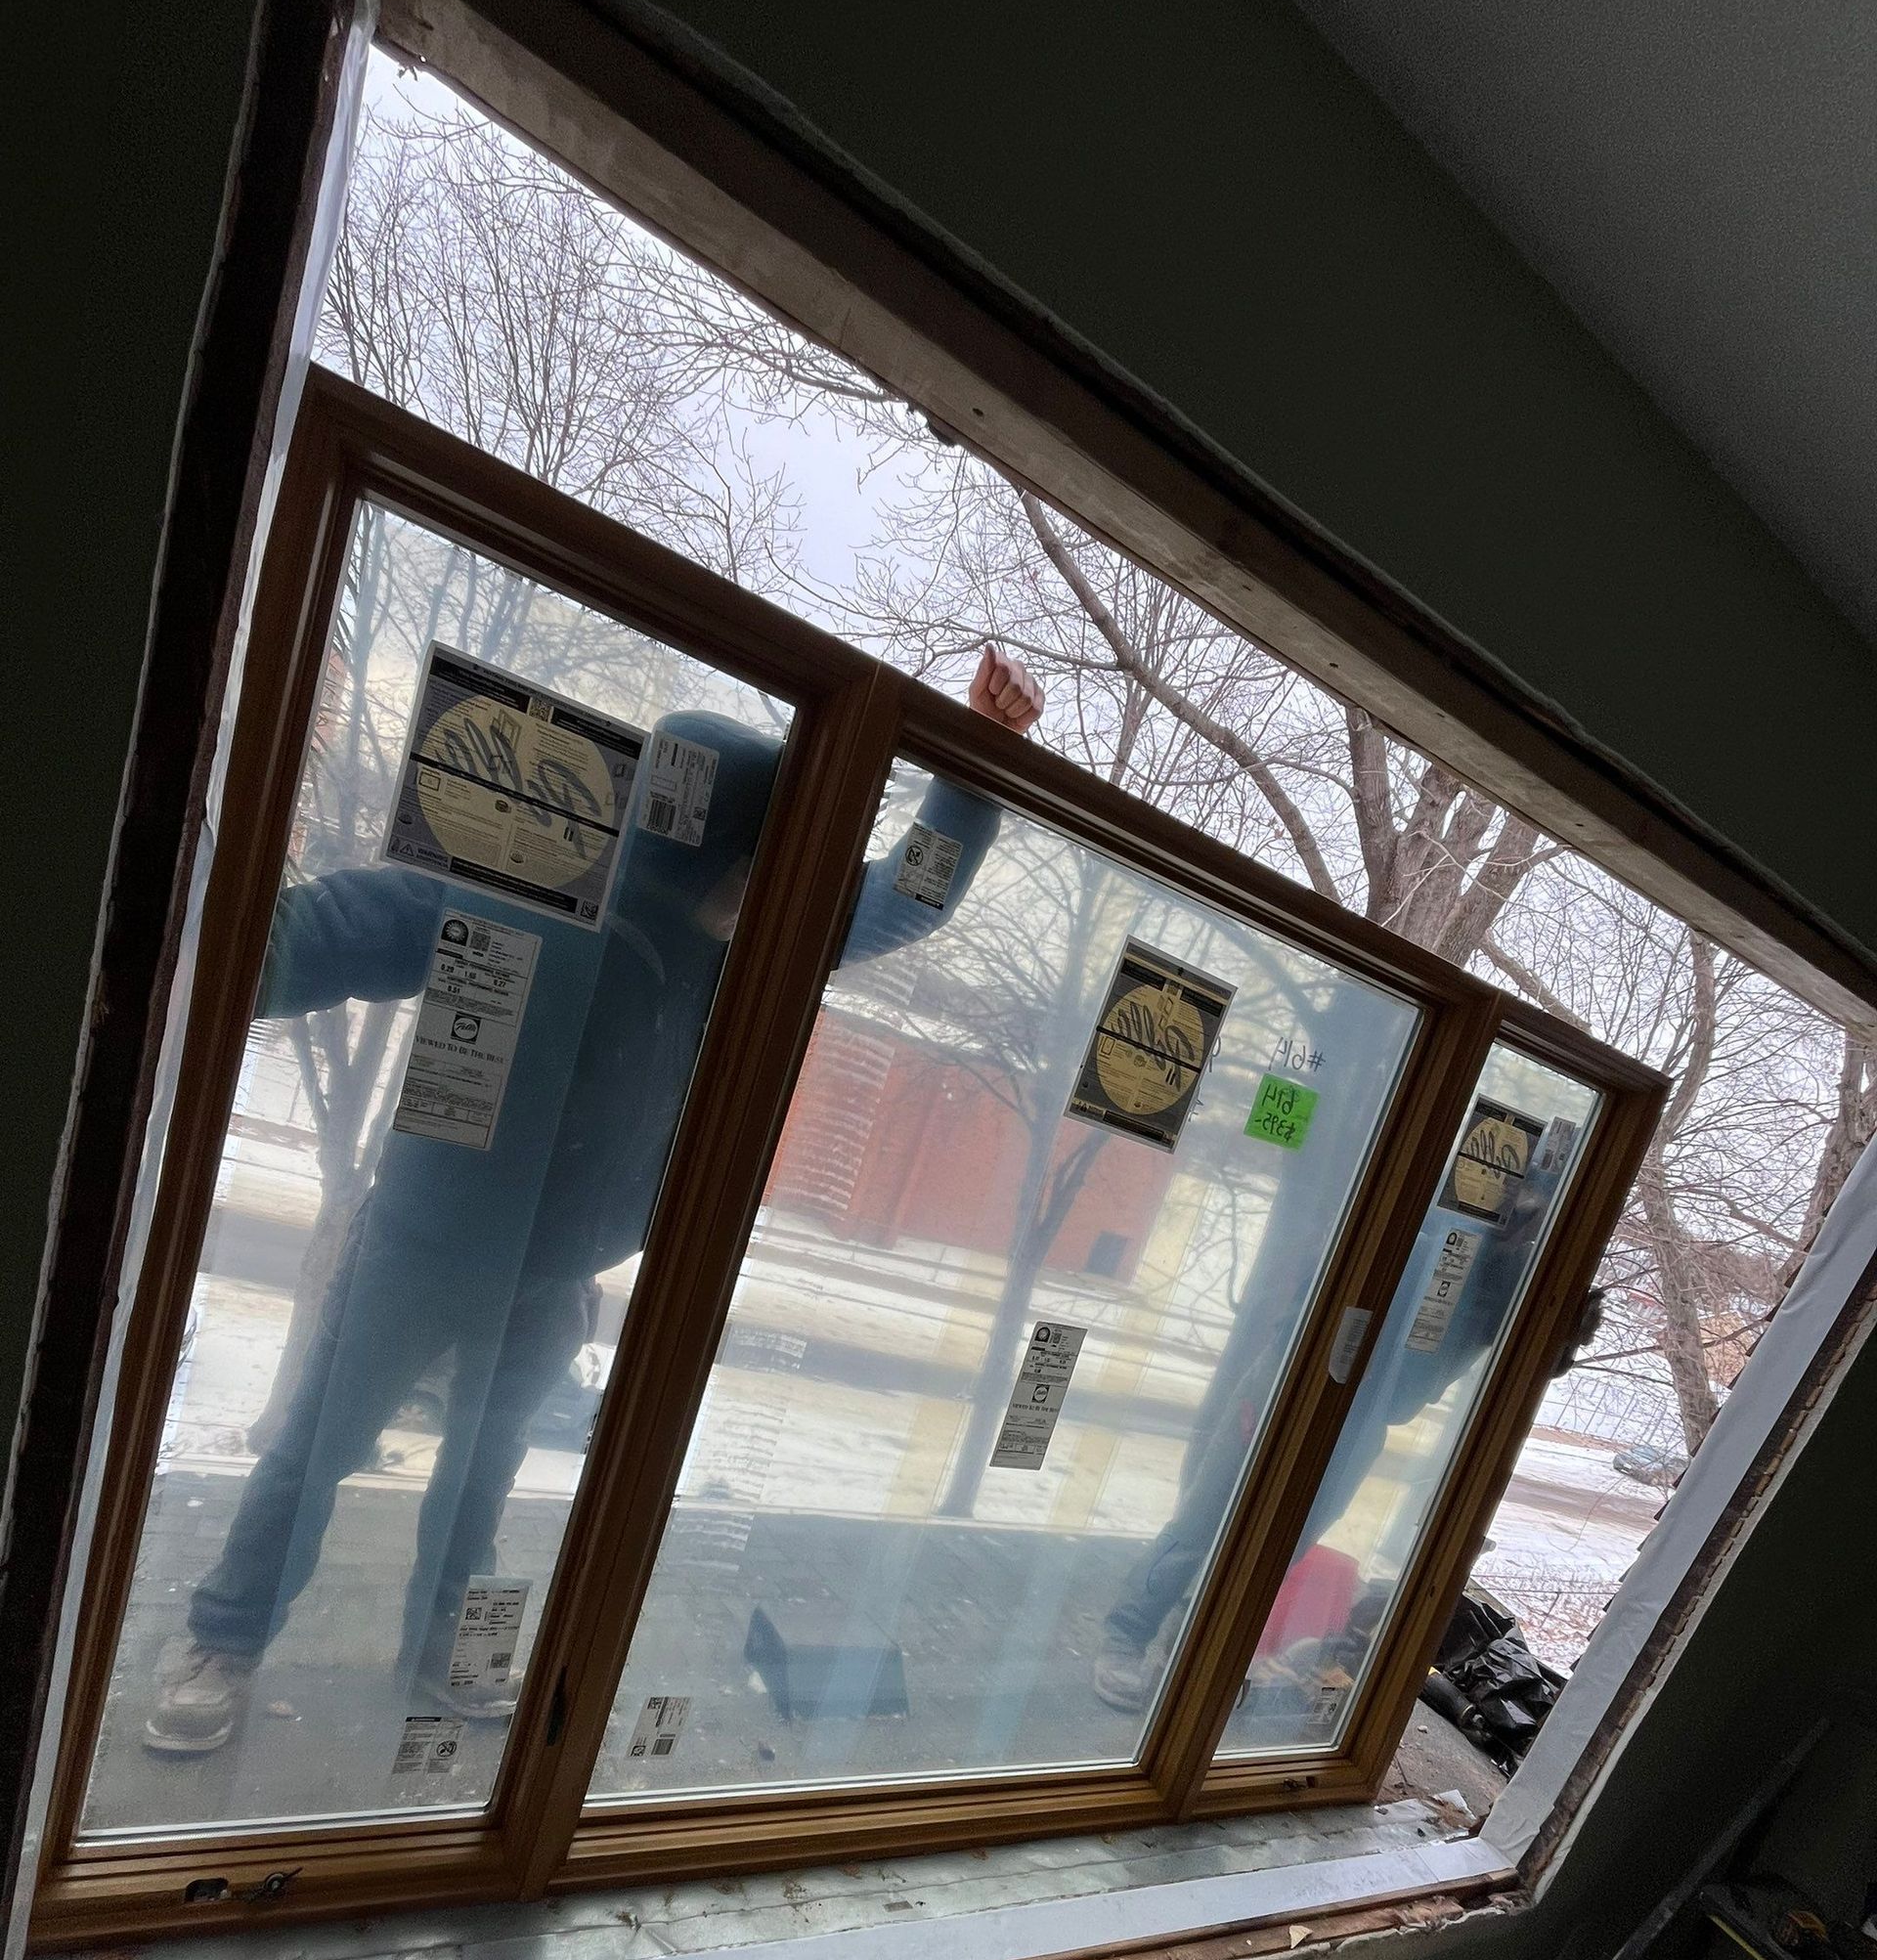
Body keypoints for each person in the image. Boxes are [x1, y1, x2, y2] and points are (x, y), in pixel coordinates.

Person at [145, 646, 1045, 1754]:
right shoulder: (538, 889)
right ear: (722, 850)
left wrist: (973, 773)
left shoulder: (753, 944)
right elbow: (348, 926)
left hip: (557, 1267)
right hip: (423, 1243)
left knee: (486, 1465)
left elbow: (903, 900)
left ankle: (440, 1648)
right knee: (319, 1449)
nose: (787, 879)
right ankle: (223, 1643)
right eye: (771, 854)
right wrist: (193, 949)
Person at [1093, 1109, 1601, 1715]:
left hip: (1368, 1418)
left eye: (1541, 1207)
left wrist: (1568, 1321)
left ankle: (1190, 1652)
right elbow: (1323, 1275)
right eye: (1521, 1198)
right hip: (1295, 1378)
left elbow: (1534, 1353)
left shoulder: (1506, 1272)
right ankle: (1127, 1638)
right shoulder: (1430, 1220)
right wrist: (1282, 1370)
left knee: (1284, 1543)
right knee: (1207, 1519)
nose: (1525, 1214)